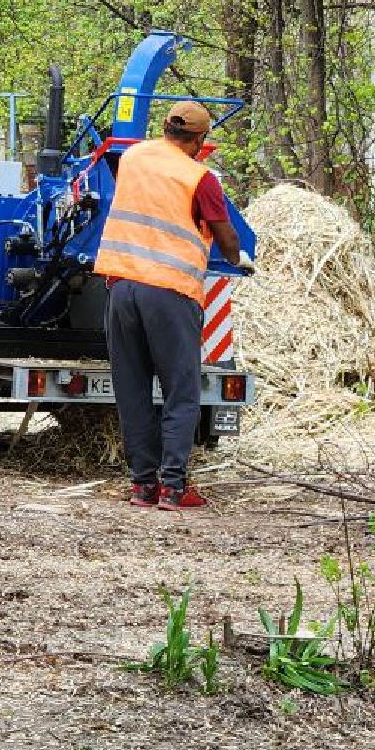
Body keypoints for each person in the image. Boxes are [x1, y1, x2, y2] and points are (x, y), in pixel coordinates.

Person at [94, 101, 253, 510]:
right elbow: (226, 238)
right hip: (169, 292)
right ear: (200, 140)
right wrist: (240, 259)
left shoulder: (132, 157)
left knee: (132, 391)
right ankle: (173, 487)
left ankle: (142, 486)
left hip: (121, 285)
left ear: (165, 128)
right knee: (181, 391)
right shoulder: (200, 178)